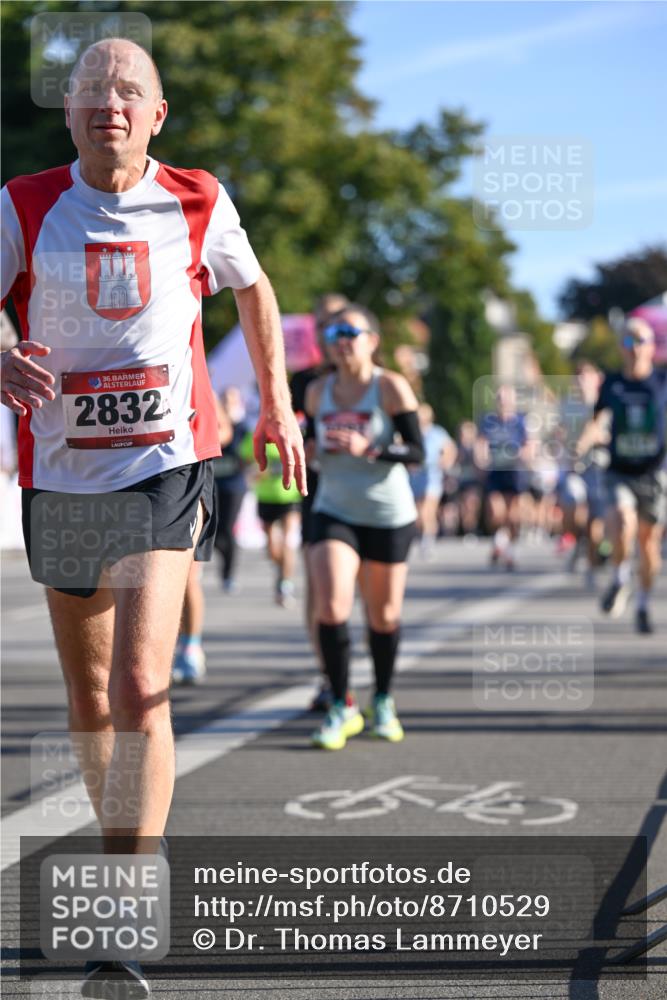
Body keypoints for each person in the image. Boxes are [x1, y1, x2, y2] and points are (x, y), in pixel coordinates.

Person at [0, 38, 305, 997]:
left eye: (128, 91)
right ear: (70, 112)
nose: (110, 105)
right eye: (91, 91)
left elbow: (254, 289)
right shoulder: (22, 204)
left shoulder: (199, 199)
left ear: (157, 113)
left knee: (139, 685)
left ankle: (125, 898)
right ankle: (128, 839)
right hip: (60, 474)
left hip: (164, 466)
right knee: (90, 705)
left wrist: (279, 407)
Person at [305, 303, 424, 750]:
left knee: (384, 615)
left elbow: (416, 453)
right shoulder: (318, 392)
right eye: (334, 333)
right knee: (332, 607)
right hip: (334, 508)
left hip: (388, 514)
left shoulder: (390, 387)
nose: (341, 340)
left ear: (372, 340)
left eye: (351, 332)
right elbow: (312, 445)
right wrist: (311, 451)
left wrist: (369, 447)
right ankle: (341, 704)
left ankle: (384, 699)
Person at [577, 318, 667, 632]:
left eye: (640, 341)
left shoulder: (662, 383)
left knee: (649, 545)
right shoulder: (612, 384)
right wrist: (582, 444)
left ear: (652, 347)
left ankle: (642, 603)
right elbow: (596, 420)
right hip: (619, 470)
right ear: (621, 348)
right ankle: (619, 578)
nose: (634, 349)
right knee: (621, 521)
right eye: (628, 342)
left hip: (654, 473)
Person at [290, 293, 349, 710]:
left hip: (366, 494)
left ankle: (365, 674)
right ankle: (330, 676)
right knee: (320, 586)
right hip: (320, 492)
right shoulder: (303, 381)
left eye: (340, 325)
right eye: (324, 325)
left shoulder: (378, 381)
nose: (332, 334)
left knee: (359, 592)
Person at [240, 429, 302, 606]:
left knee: (288, 541)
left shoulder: (294, 430)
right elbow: (245, 463)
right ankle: (280, 569)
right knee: (272, 547)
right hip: (266, 497)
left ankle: (285, 585)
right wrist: (256, 472)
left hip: (290, 496)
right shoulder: (254, 434)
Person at [477, 384, 531, 570]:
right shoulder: (488, 421)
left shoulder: (520, 421)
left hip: (515, 471)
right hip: (496, 470)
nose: (503, 402)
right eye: (500, 399)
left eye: (507, 399)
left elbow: (529, 444)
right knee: (496, 512)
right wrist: (481, 460)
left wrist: (522, 455)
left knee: (513, 516)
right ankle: (499, 540)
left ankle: (507, 549)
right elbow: (481, 443)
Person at [212, 386, 248, 594]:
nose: (228, 403)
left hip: (234, 485)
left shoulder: (242, 428)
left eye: (232, 400)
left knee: (227, 528)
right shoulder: (214, 425)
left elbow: (250, 455)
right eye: (224, 399)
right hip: (213, 482)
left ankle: (228, 574)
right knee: (213, 531)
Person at [409, 403, 456, 558]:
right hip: (414, 478)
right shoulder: (411, 432)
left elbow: (450, 449)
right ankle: (424, 536)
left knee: (426, 512)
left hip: (432, 478)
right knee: (416, 514)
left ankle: (427, 541)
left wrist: (445, 462)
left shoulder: (437, 433)